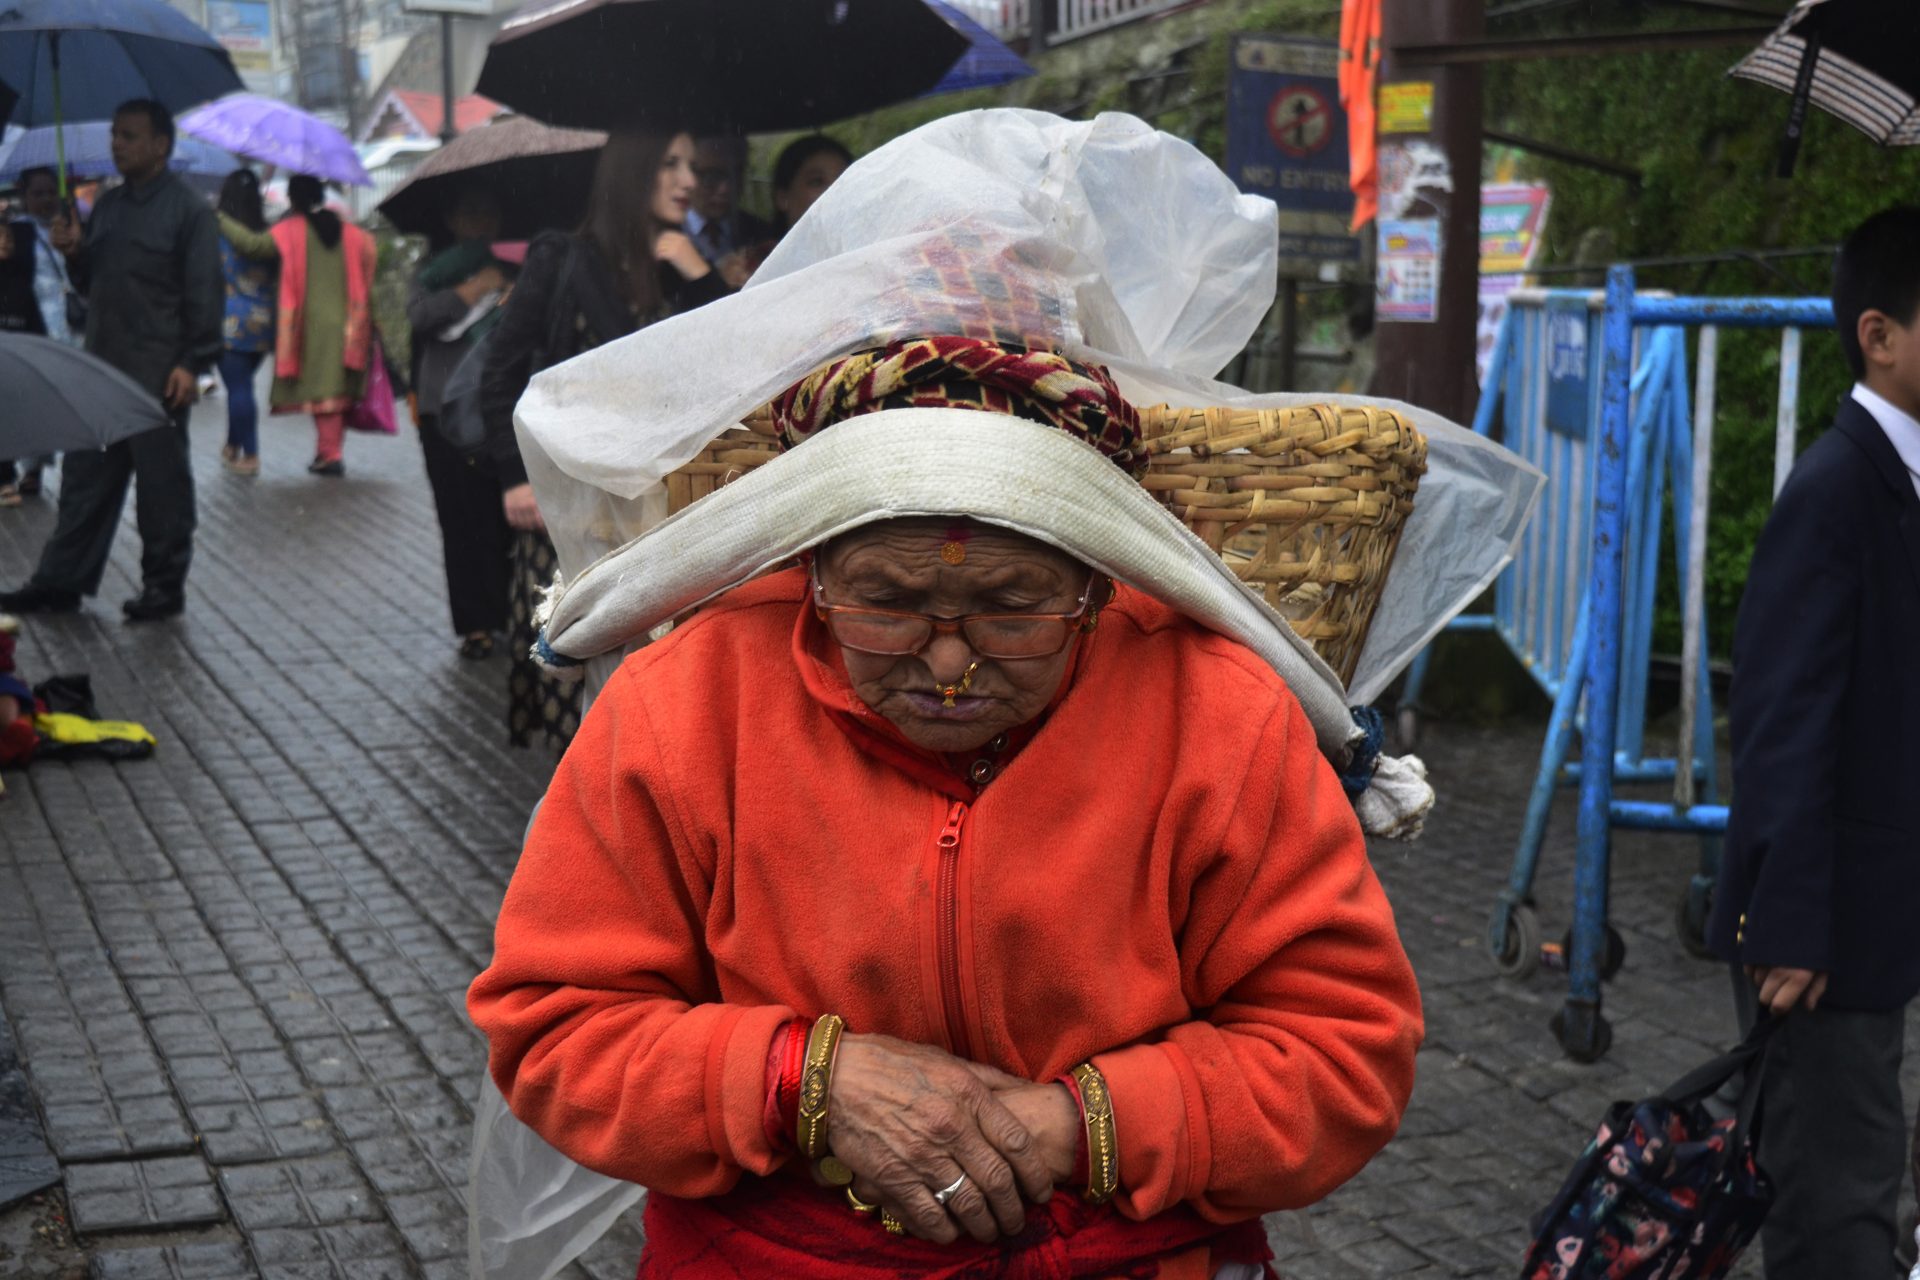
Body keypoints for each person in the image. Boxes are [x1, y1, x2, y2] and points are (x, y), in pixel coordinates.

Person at [467, 338, 1425, 1277]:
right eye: (886, 603)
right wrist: (808, 1084)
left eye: (1015, 609)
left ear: (1098, 584)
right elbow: (556, 1026)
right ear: (813, 572)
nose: (949, 667)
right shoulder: (682, 705)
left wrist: (1077, 1127)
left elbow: (1341, 1054)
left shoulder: (1219, 715)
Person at [1707, 206, 1920, 1280]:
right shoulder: (1836, 490)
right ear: (1879, 335)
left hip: (1880, 898)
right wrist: (1786, 919)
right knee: (1836, 1194)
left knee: (1864, 1165)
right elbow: (1781, 719)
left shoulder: (1902, 484)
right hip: (1820, 925)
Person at [477, 127, 726, 751]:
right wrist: (512, 476)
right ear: (632, 172)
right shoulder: (562, 258)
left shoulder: (675, 267)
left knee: (653, 687)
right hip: (570, 507)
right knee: (575, 681)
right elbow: (502, 371)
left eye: (691, 165)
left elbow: (732, 362)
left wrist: (699, 276)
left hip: (659, 508)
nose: (688, 180)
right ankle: (578, 830)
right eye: (670, 163)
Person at [0, 100, 221, 623]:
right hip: (102, 368)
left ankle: (163, 587)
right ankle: (59, 582)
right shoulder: (110, 207)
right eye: (115, 135)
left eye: (129, 136)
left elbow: (206, 294)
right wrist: (75, 252)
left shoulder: (189, 212)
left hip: (159, 376)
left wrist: (192, 362)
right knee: (84, 483)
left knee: (162, 491)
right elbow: (88, 286)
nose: (117, 144)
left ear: (160, 145)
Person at [407, 185, 514, 661]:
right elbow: (419, 319)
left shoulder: (519, 261)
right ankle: (476, 624)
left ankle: (514, 609)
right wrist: (472, 289)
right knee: (461, 519)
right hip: (443, 412)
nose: (481, 220)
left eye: (488, 208)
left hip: (503, 406)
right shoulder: (431, 271)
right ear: (450, 219)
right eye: (470, 209)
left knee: (503, 517)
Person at [216, 174, 378, 476]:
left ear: (292, 197)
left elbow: (252, 246)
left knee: (324, 391)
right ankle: (328, 452)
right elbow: (371, 251)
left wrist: (220, 219)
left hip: (310, 324)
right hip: (350, 320)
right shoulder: (347, 231)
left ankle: (330, 455)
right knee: (336, 389)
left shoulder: (290, 230)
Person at [0, 166, 78, 503]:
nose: (45, 200)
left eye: (50, 192)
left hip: (67, 329)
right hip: (29, 326)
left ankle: (35, 468)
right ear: (24, 195)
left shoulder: (71, 227)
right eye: (38, 193)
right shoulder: (18, 232)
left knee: (49, 402)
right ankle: (17, 466)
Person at [213, 168, 275, 477]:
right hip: (264, 323)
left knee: (239, 389)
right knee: (242, 387)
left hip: (230, 323)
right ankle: (231, 445)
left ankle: (251, 455)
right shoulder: (267, 233)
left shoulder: (217, 233)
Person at [687, 135, 774, 286]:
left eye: (735, 174)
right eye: (711, 176)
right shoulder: (662, 238)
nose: (724, 189)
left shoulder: (761, 233)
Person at [771, 134, 852, 236]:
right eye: (817, 182)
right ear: (782, 198)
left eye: (842, 180)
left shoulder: (871, 247)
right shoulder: (763, 252)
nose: (834, 190)